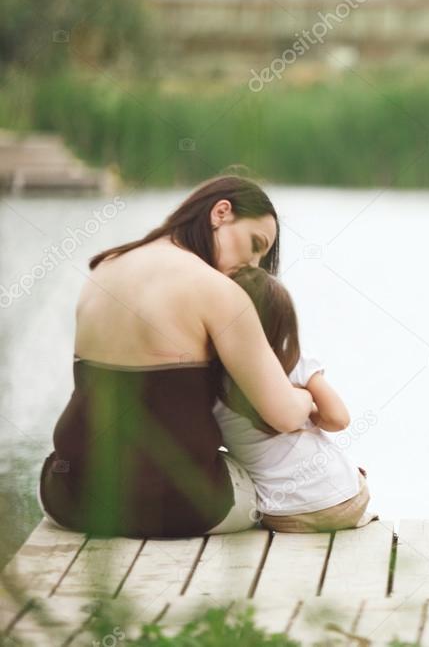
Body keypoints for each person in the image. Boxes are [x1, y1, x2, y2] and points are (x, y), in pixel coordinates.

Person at [38, 175, 314, 537]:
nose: (255, 266)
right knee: (266, 483)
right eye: (255, 245)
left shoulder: (104, 269)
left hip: (69, 500)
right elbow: (283, 415)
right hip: (176, 508)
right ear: (221, 212)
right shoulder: (219, 292)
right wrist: (307, 397)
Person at [213, 267, 375, 532]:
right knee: (342, 466)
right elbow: (338, 419)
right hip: (347, 501)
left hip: (284, 515)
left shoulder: (207, 381)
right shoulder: (293, 360)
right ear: (283, 322)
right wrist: (308, 403)